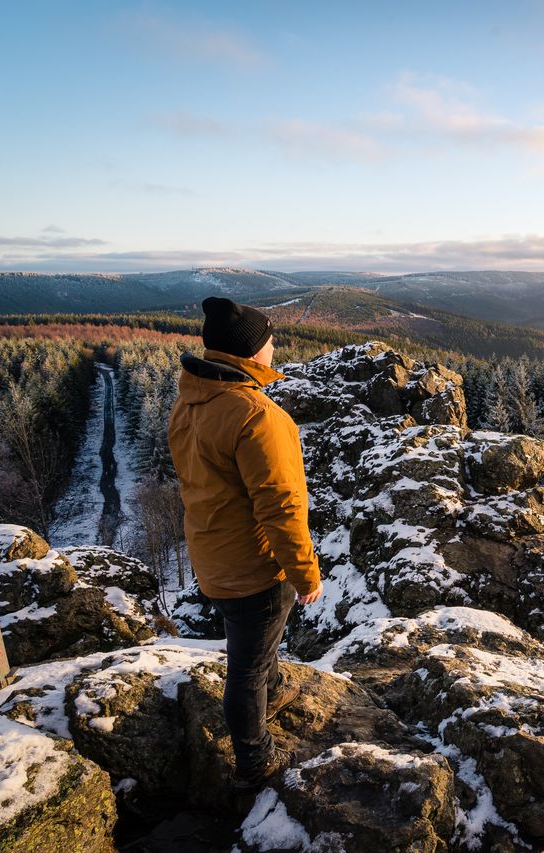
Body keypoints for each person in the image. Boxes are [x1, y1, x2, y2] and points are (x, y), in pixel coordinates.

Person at [167, 296, 323, 793]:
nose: (275, 349)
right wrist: (305, 574)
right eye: (270, 342)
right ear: (253, 354)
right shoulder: (256, 415)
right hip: (254, 567)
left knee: (256, 649)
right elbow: (281, 509)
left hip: (213, 554)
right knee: (247, 668)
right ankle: (256, 760)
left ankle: (274, 689)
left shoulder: (192, 400)